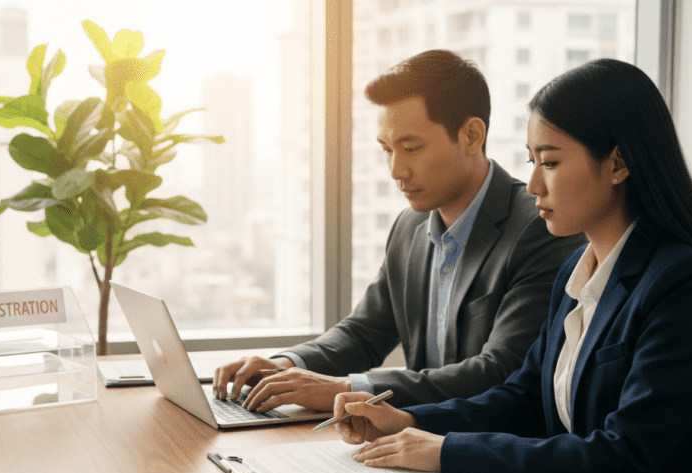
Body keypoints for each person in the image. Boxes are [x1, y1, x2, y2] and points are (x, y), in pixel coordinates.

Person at [332, 58, 692, 473]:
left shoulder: (682, 283)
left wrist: (448, 449)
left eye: (551, 162)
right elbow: (522, 397)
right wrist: (409, 419)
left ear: (617, 163)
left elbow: (626, 456)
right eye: (532, 161)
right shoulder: (574, 274)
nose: (533, 184)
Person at [212, 50, 585, 413]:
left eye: (411, 148)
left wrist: (347, 389)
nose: (396, 171)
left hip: (484, 453)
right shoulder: (411, 226)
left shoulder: (541, 227)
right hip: (408, 437)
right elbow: (364, 333)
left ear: (472, 135)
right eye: (387, 150)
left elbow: (499, 372)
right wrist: (287, 364)